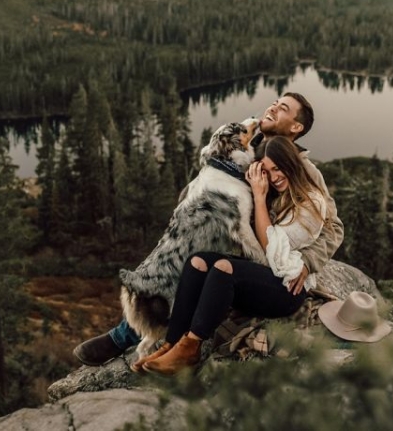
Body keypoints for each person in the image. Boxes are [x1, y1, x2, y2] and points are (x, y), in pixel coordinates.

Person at [73, 92, 345, 366]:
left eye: (283, 108)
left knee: (199, 270)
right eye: (275, 102)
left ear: (296, 127)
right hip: (222, 239)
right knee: (178, 260)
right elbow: (212, 176)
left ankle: (126, 340)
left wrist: (309, 263)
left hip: (264, 253)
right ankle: (142, 339)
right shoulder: (247, 143)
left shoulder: (304, 169)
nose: (273, 107)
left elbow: (333, 226)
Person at [131, 135, 327, 375]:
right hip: (266, 275)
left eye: (278, 168)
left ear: (291, 163)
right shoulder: (277, 194)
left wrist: (258, 196)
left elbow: (272, 251)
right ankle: (172, 344)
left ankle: (191, 348)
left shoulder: (312, 202)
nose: (274, 177)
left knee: (224, 268)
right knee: (198, 262)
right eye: (266, 171)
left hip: (287, 289)